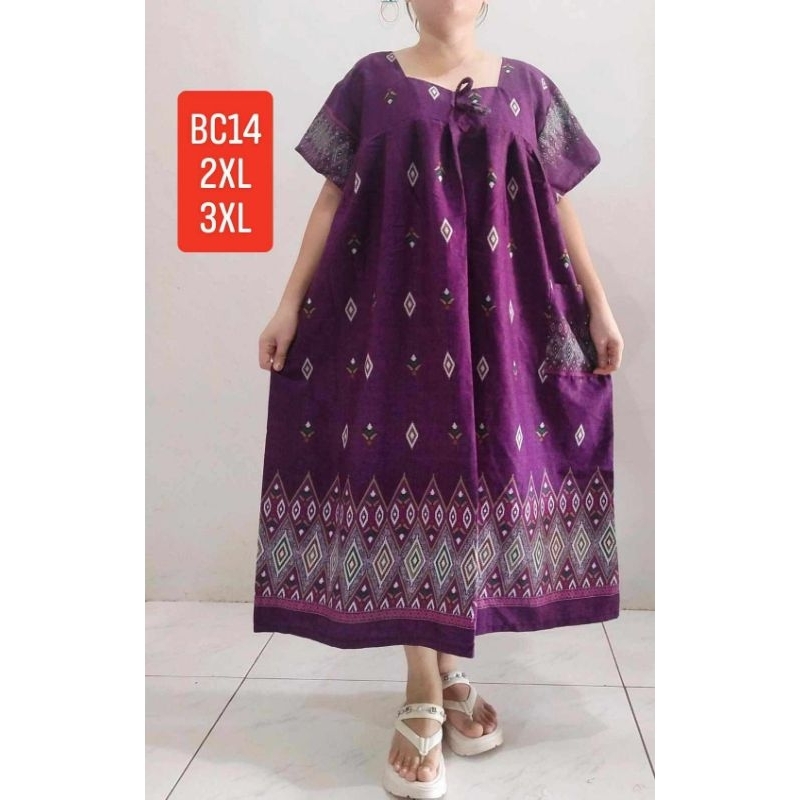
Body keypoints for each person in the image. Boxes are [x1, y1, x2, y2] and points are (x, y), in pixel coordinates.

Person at [254, 1, 624, 797]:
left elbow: (559, 199)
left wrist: (597, 303)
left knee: (483, 486)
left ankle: (452, 667)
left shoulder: (530, 88)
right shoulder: (369, 83)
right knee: (410, 482)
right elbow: (332, 196)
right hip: (394, 321)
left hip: (505, 322)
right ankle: (423, 687)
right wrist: (288, 304)